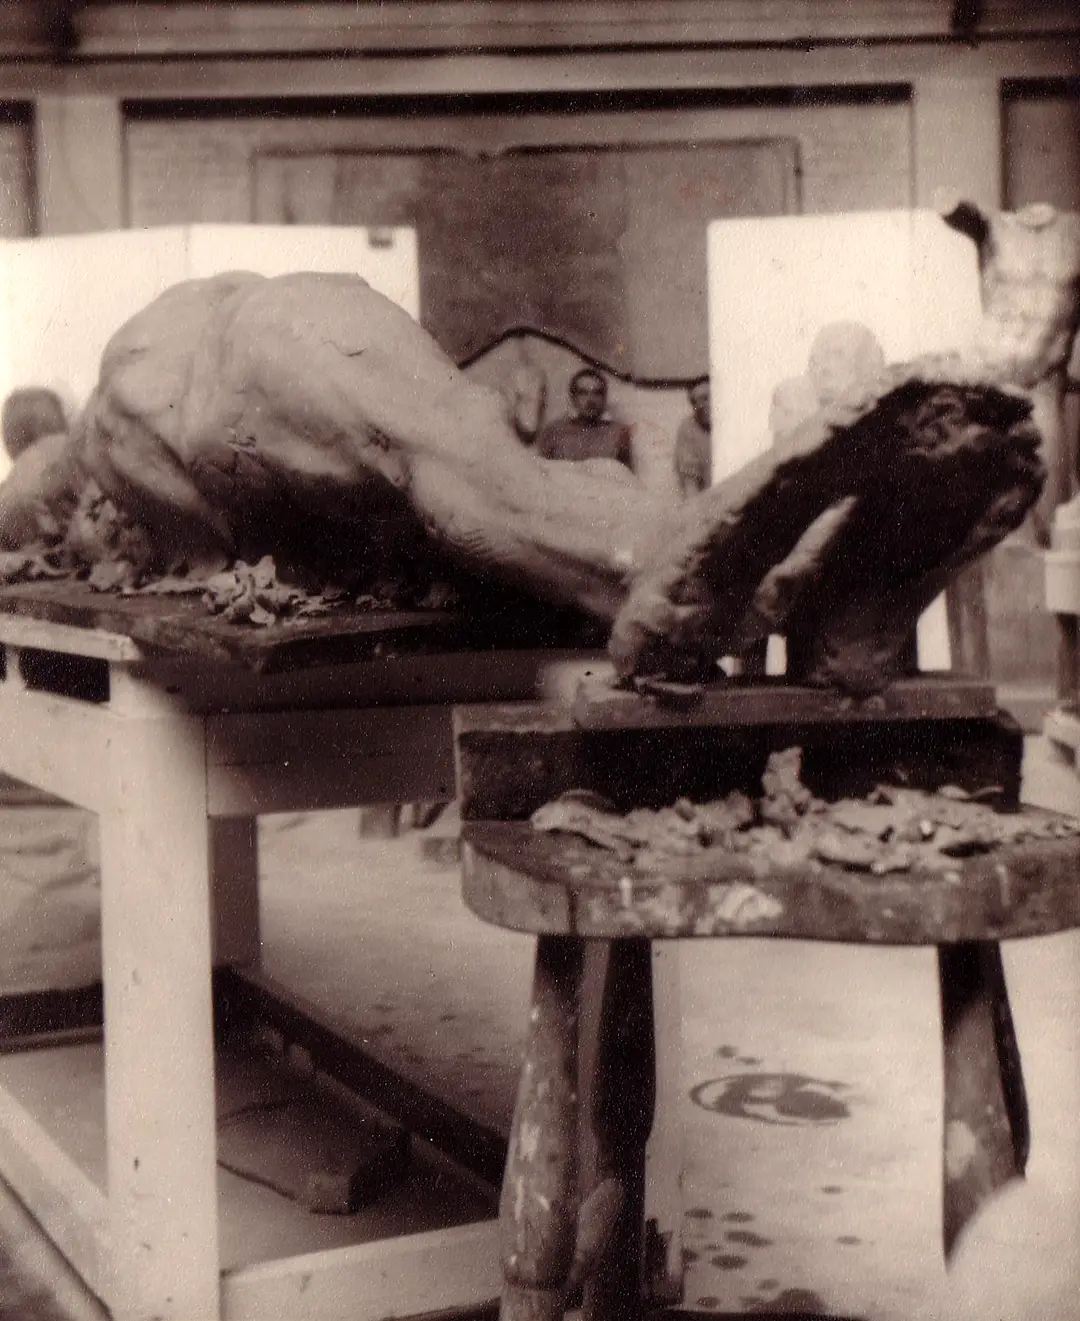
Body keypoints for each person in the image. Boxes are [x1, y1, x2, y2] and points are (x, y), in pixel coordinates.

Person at [533, 367, 634, 470]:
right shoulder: (554, 432)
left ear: (604, 398)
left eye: (597, 393)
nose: (590, 400)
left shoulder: (617, 434)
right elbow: (541, 475)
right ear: (573, 398)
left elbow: (625, 478)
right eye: (583, 393)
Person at [673, 376, 711, 496]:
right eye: (695, 402)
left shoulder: (735, 424)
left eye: (706, 398)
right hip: (709, 504)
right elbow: (690, 484)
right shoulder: (688, 429)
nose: (700, 405)